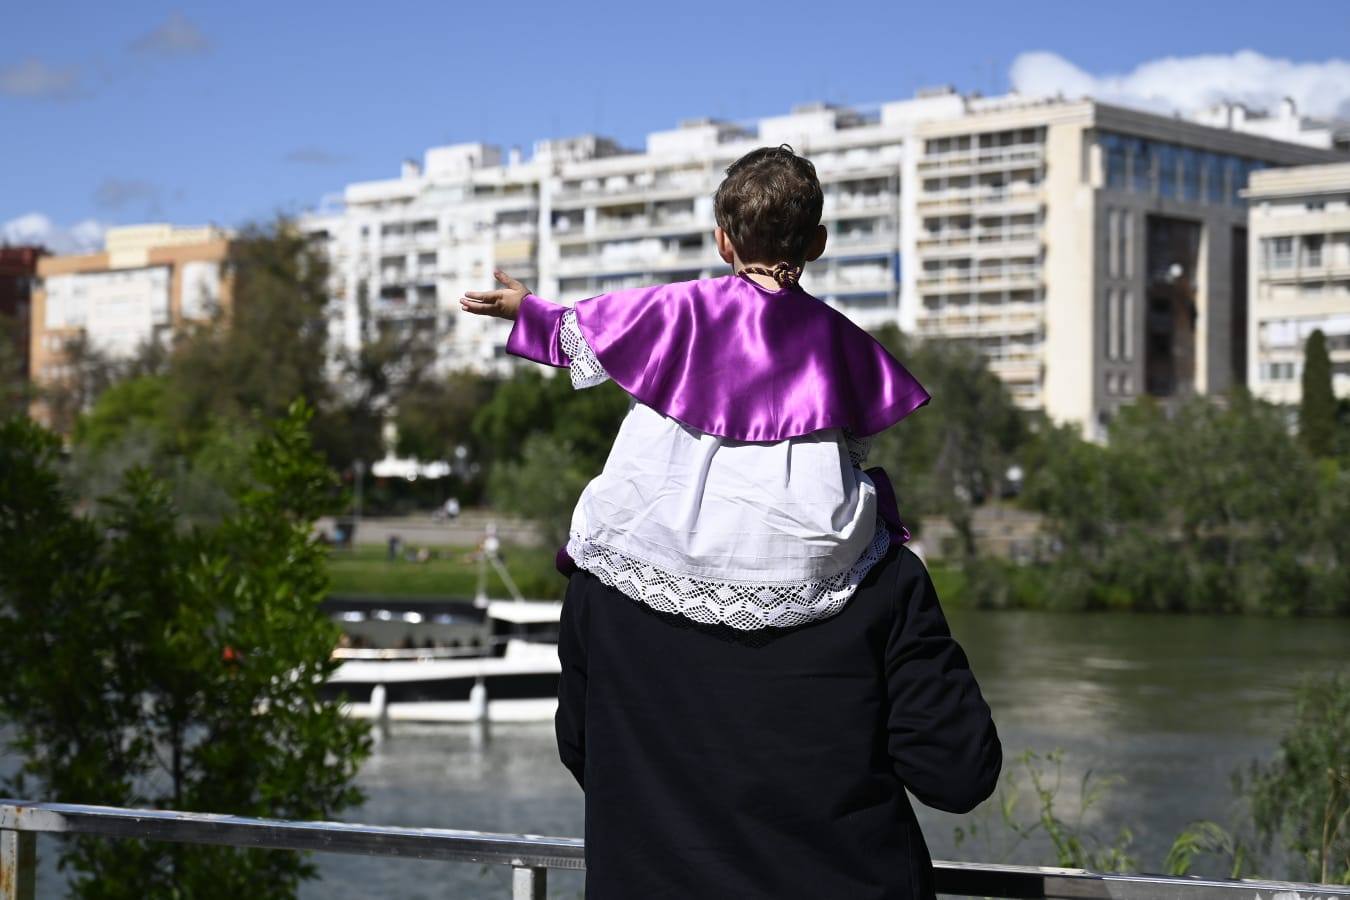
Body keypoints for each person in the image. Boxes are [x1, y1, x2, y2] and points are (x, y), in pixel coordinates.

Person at [461, 145, 1000, 898]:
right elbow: (958, 774)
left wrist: (531, 313)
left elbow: (586, 752)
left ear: (723, 241)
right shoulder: (881, 580)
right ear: (817, 243)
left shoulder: (607, 577)